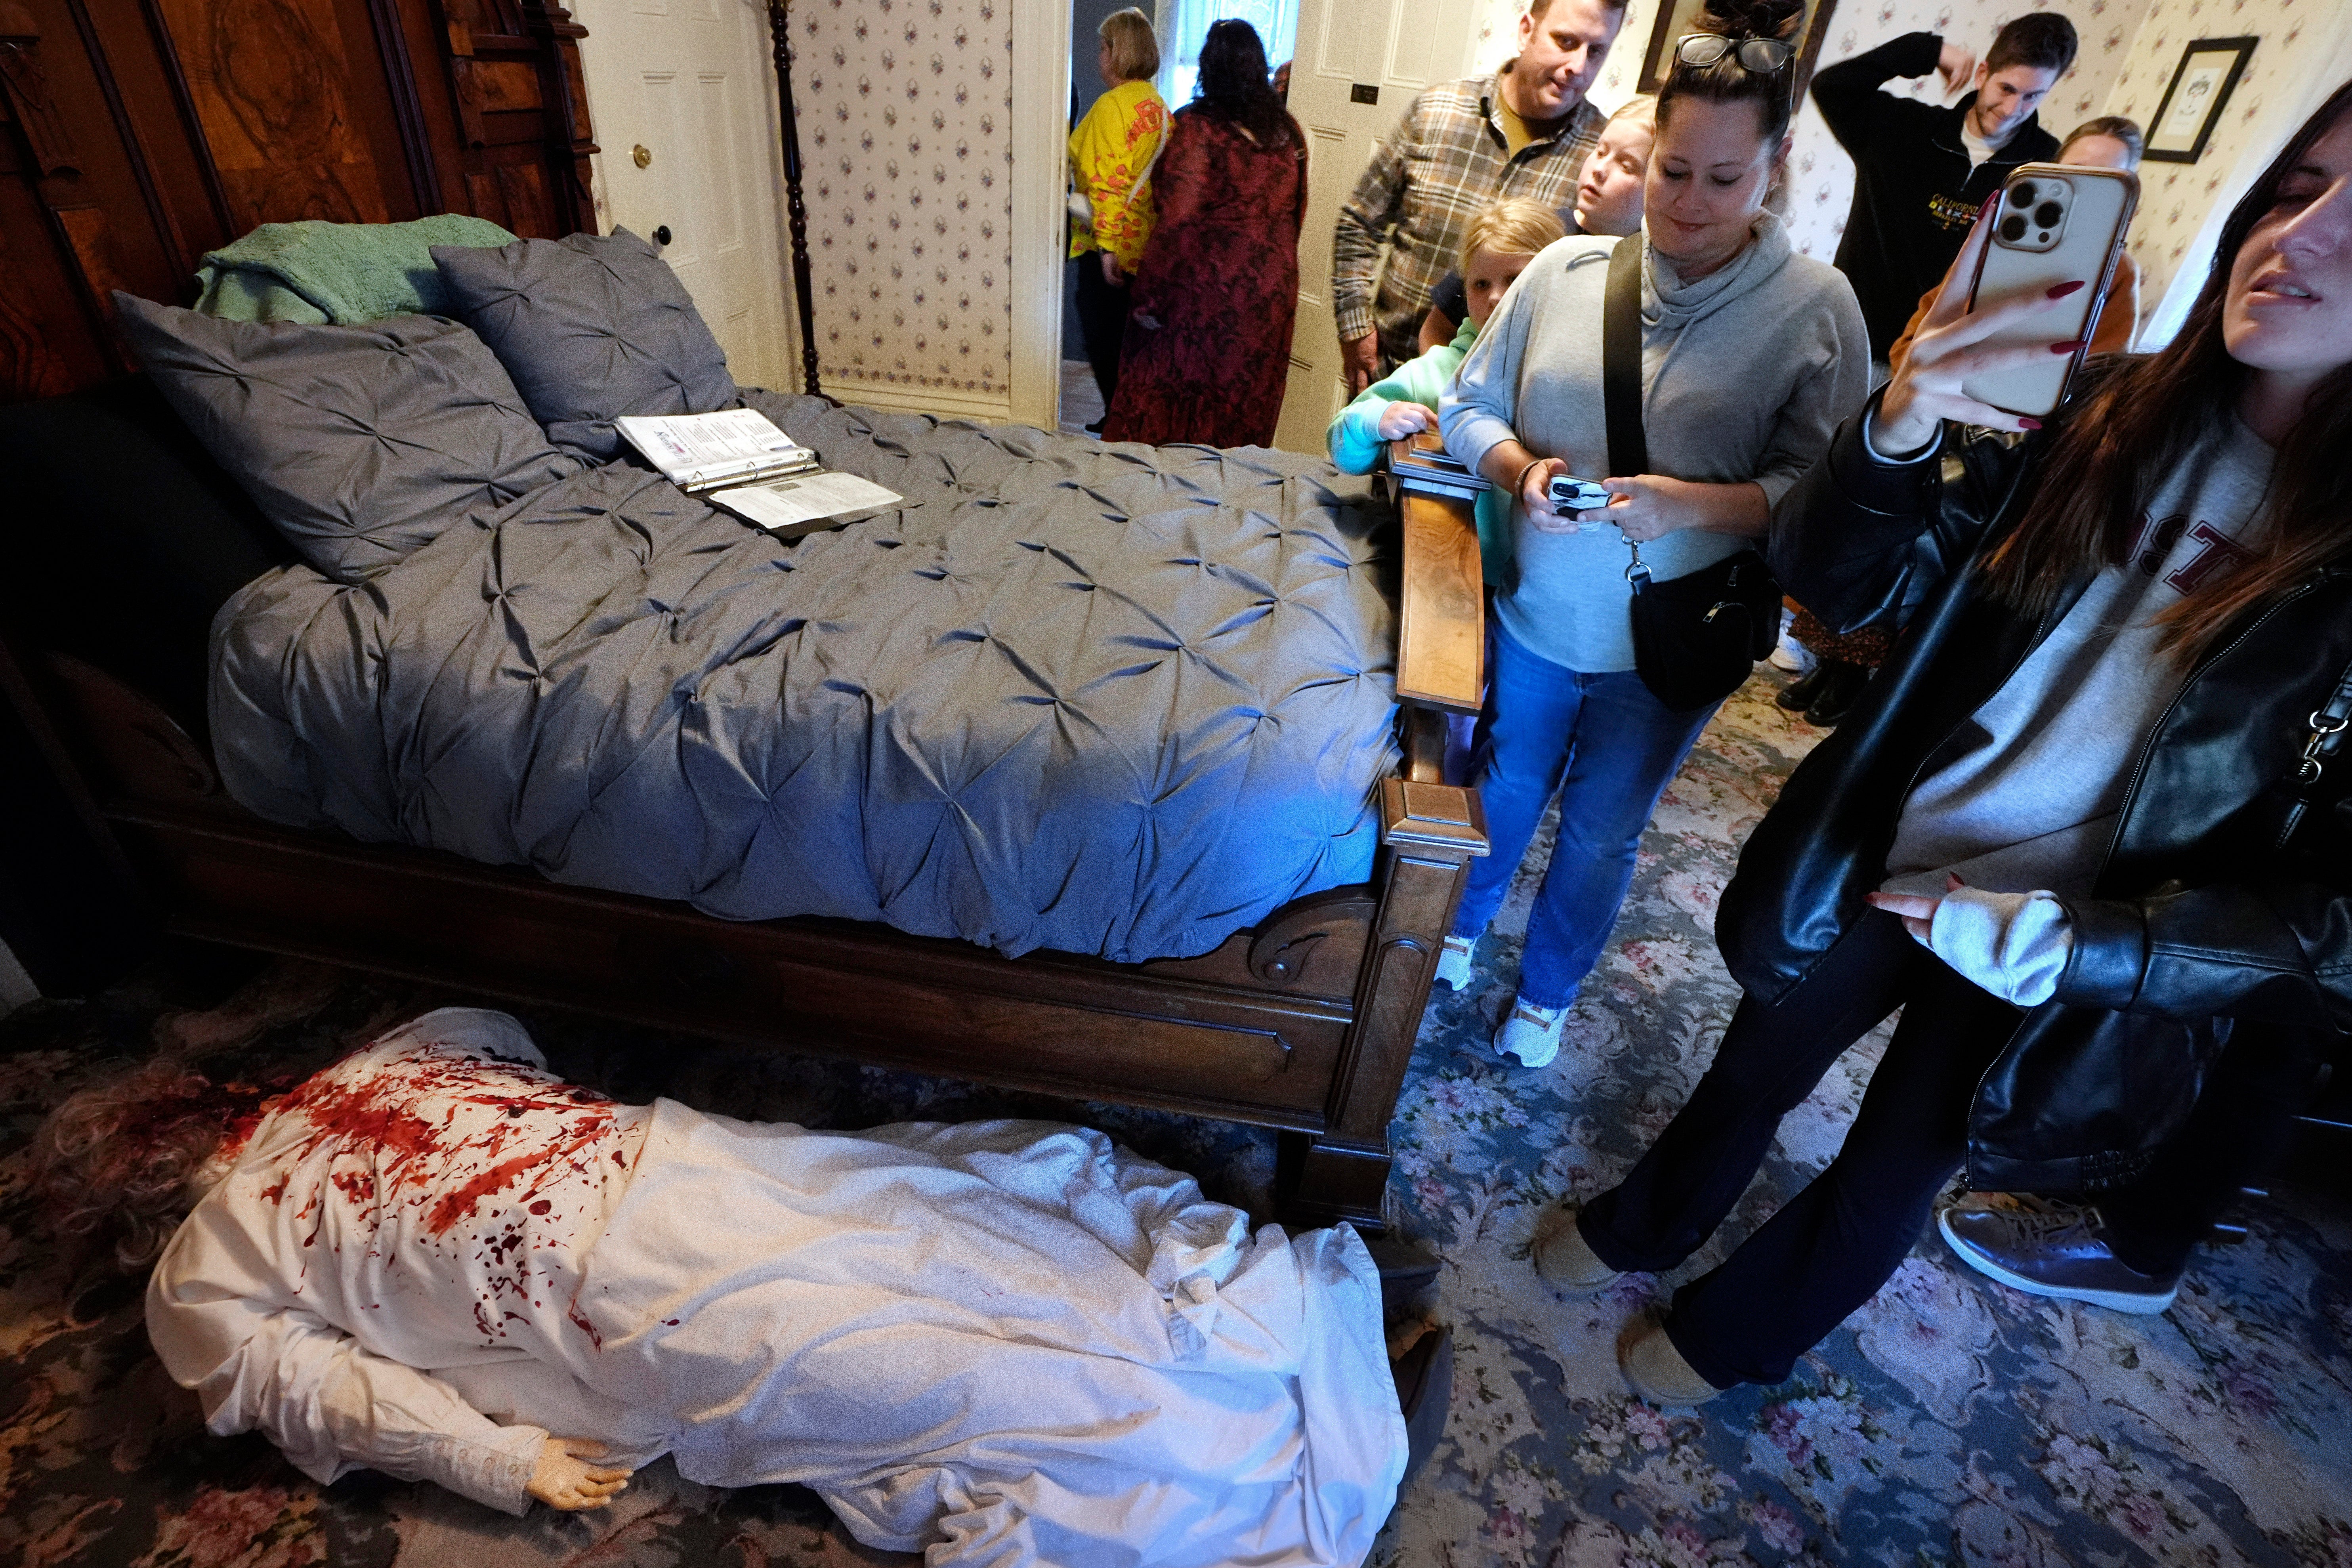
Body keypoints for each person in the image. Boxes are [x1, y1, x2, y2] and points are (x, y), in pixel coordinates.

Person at [1535, 78, 2352, 1405]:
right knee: (1756, 1054)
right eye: (2297, 188)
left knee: (1889, 1162)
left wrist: (2103, 947)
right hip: (1905, 827)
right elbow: (1844, 589)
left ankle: (1735, 1333)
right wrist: (1897, 429)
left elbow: (2330, 912)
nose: (2297, 237)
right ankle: (1644, 1220)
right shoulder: (2103, 409)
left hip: (2061, 934)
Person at [55, 1007, 1421, 1560]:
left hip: (661, 1198)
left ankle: (1241, 1392)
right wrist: (501, 1452)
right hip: (631, 1250)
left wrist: (496, 1443)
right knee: (919, 1342)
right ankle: (1225, 1419)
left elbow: (510, 1063)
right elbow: (314, 1380)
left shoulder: (337, 1102)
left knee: (947, 1242)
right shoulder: (227, 1240)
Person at [1432, 0, 1870, 1070]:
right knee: (1504, 785)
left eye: (1725, 178)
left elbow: (1829, 493)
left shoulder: (1820, 309)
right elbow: (1467, 404)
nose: (1689, 201)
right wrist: (1519, 468)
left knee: (1599, 830)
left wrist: (1690, 504)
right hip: (1539, 612)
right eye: (1674, 169)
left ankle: (1548, 991)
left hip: (1671, 640)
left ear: (1775, 168)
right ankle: (1455, 930)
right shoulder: (1565, 271)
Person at [1776, 113, 2148, 729]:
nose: (2085, 190)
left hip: (2018, 455)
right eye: (2074, 173)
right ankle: (1834, 667)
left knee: (1931, 575)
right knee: (1879, 539)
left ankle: (1863, 684)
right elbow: (1932, 318)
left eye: (2107, 181)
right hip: (1939, 423)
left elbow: (2103, 369)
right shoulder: (2003, 242)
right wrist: (1913, 372)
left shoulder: (2120, 275)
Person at [1333, 0, 1630, 392]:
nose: (1578, 65)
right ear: (1526, 29)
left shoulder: (1601, 160)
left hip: (1501, 406)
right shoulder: (1436, 111)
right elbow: (1359, 222)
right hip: (1389, 373)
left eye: (1596, 51)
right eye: (1565, 41)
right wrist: (1356, 332)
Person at [1811, 12, 2077, 367]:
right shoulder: (1903, 129)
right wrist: (1927, 49)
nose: (2014, 109)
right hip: (1846, 342)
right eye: (2007, 89)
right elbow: (1831, 87)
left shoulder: (2048, 167)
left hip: (1941, 360)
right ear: (1983, 74)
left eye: (2033, 97)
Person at [1330, 197, 1569, 589]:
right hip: (1446, 580)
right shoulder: (1438, 372)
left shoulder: (1568, 379)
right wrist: (1375, 421)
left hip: (1540, 593)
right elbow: (1341, 445)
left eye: (1514, 279)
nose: (1494, 297)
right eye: (1480, 284)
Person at [1100, 20, 1306, 447]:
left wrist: (1150, 296)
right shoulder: (1288, 131)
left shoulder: (1199, 130)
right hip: (1270, 293)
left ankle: (1159, 494)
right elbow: (1296, 212)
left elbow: (1176, 221)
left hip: (1207, 292)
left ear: (1207, 67)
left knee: (1168, 400)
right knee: (1242, 401)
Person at [1416, 95, 1657, 355]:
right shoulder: (1532, 232)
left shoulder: (1653, 269)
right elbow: (1437, 329)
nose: (1600, 168)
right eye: (1600, 151)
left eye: (1626, 165)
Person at [1067, 8, 1168, 428]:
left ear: (1118, 51)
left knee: (1100, 332)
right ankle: (1119, 416)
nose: (1099, 55)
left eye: (1103, 46)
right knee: (1124, 338)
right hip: (1143, 240)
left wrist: (1107, 245)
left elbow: (1107, 178)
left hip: (1108, 242)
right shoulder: (1158, 107)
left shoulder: (1113, 106)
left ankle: (1119, 420)